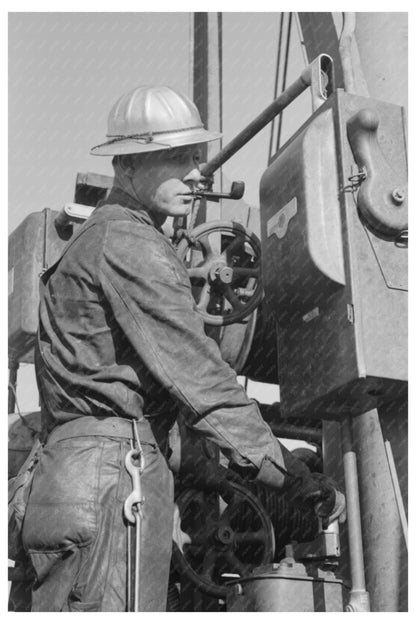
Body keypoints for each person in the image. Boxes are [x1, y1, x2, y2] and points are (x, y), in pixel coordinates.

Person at [22, 85, 345, 612]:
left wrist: (221, 471)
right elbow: (202, 380)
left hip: (80, 478)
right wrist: (290, 475)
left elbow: (146, 407)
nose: (197, 171)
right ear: (126, 166)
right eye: (176, 157)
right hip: (111, 487)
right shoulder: (130, 243)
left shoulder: (97, 240)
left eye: (195, 156)